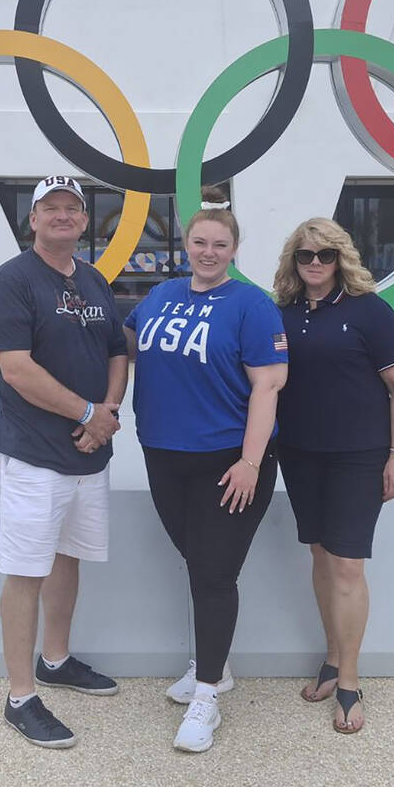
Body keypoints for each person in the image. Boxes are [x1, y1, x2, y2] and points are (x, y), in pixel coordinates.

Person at [123, 186, 287, 753]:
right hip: (164, 456)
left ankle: (208, 695)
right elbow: (119, 347)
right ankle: (213, 664)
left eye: (220, 244)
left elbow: (268, 385)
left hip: (228, 463)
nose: (208, 252)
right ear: (185, 244)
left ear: (235, 249)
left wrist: (251, 460)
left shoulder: (251, 304)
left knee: (214, 575)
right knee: (197, 562)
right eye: (199, 242)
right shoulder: (161, 294)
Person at [0, 175, 128, 749]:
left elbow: (117, 348)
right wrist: (90, 412)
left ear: (85, 222)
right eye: (51, 208)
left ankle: (56, 659)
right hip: (34, 455)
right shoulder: (11, 281)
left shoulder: (92, 280)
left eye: (73, 208)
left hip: (90, 454)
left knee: (69, 560)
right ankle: (20, 697)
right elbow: (16, 369)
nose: (62, 216)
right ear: (33, 219)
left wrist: (108, 411)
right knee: (26, 572)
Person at [272, 218, 394, 734]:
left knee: (348, 565)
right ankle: (332, 657)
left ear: (341, 259)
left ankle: (350, 681)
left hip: (358, 455)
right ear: (294, 261)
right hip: (301, 453)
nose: (315, 264)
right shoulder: (281, 313)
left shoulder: (369, 311)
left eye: (325, 255)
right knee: (320, 555)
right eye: (305, 256)